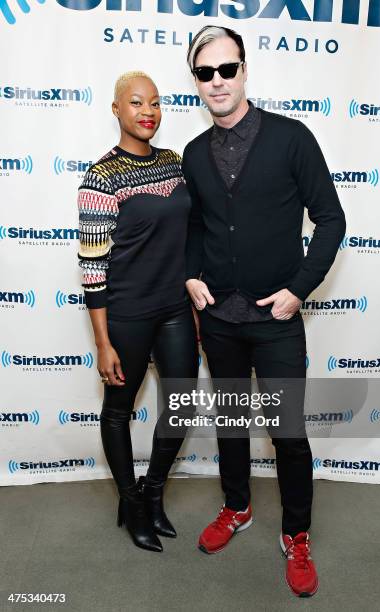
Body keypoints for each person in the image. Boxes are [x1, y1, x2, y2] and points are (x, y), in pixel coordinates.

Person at [183, 26, 346, 596]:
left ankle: (296, 534)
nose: (218, 81)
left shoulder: (291, 138)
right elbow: (198, 224)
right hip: (221, 323)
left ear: (244, 70)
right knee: (230, 423)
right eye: (205, 73)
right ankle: (237, 507)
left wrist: (299, 288)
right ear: (196, 83)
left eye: (227, 69)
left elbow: (332, 220)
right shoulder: (195, 153)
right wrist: (190, 273)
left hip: (276, 322)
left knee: (289, 433)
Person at [77, 71, 198, 553]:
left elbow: (190, 237)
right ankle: (130, 503)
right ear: (116, 110)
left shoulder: (174, 164)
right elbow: (92, 265)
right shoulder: (100, 177)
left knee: (181, 403)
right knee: (119, 410)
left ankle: (152, 491)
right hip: (126, 313)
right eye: (135, 102)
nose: (147, 111)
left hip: (174, 308)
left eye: (154, 103)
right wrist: (103, 342)